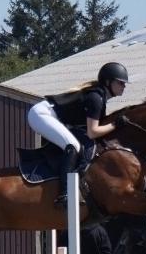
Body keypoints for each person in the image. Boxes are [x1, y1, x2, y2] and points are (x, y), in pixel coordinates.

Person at [27, 63, 130, 209]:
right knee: (72, 146)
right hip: (41, 114)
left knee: (76, 142)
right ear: (108, 82)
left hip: (50, 115)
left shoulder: (100, 97)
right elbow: (93, 132)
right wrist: (115, 124)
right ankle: (65, 194)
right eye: (120, 83)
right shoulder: (95, 98)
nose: (124, 86)